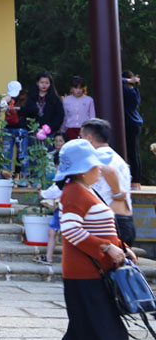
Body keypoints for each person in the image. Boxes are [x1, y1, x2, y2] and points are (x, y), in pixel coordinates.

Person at [50, 138, 141, 340]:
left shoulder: (86, 190)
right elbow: (70, 230)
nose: (99, 169)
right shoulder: (74, 192)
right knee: (112, 333)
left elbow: (100, 228)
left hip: (93, 273)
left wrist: (122, 248)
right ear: (82, 169)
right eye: (95, 166)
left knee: (80, 330)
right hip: (86, 275)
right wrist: (106, 247)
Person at [80, 118, 135, 248]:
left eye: (81, 137)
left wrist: (117, 192)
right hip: (125, 220)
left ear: (89, 138)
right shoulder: (117, 157)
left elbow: (108, 169)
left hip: (112, 221)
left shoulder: (98, 155)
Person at [122, 71, 144, 188]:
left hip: (132, 123)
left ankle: (135, 180)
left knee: (133, 152)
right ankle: (132, 179)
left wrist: (127, 81)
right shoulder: (130, 91)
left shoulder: (131, 92)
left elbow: (117, 81)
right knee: (131, 152)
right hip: (130, 123)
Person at [61, 76, 95, 141]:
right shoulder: (66, 100)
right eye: (76, 88)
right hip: (70, 128)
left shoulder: (89, 100)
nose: (78, 90)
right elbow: (65, 116)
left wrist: (92, 129)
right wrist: (63, 130)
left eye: (80, 88)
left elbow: (92, 116)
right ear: (72, 88)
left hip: (84, 129)